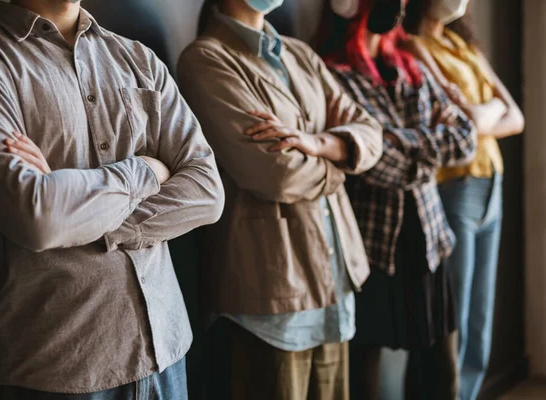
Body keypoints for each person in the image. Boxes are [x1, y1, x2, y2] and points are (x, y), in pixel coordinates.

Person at [0, 0, 225, 398]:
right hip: (64, 368)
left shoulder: (138, 58)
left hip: (168, 352)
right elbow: (39, 218)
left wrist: (77, 212)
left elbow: (207, 192)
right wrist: (147, 170)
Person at [178, 0, 383, 398]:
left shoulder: (299, 53)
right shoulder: (206, 59)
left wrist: (317, 142)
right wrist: (339, 159)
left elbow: (370, 131)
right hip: (271, 290)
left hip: (336, 279)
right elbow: (277, 174)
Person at [314, 0, 477, 398]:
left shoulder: (410, 64)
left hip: (429, 240)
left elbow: (467, 137)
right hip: (373, 249)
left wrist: (395, 143)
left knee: (442, 376)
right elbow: (376, 163)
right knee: (364, 378)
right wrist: (428, 138)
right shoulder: (333, 76)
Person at [403, 1, 525, 398]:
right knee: (457, 312)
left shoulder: (463, 46)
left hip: (492, 182)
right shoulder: (414, 45)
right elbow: (470, 120)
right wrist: (489, 111)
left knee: (481, 317)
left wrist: (482, 112)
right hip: (455, 188)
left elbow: (516, 116)